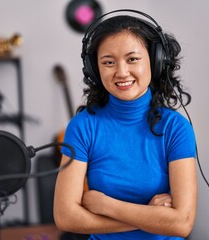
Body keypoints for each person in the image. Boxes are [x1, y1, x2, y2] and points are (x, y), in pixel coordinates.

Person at [53, 9, 197, 240]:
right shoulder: (82, 128)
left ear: (156, 61)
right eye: (108, 62)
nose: (121, 72)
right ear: (94, 69)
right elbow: (66, 217)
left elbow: (182, 223)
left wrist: (104, 204)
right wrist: (151, 217)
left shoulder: (176, 128)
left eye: (133, 59)